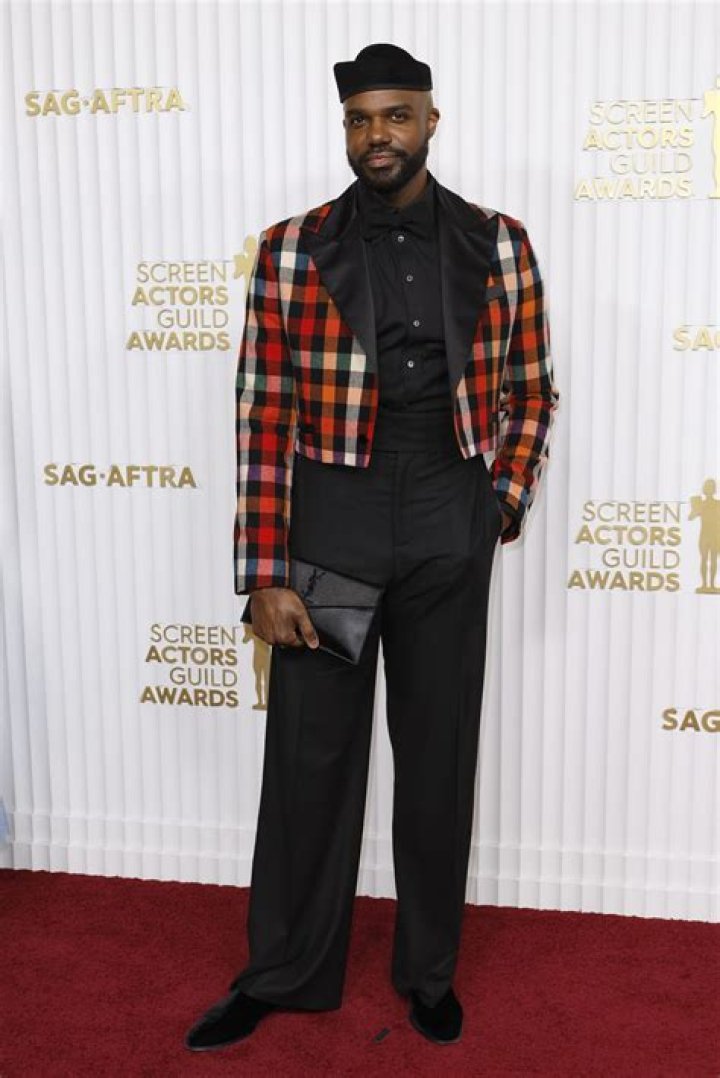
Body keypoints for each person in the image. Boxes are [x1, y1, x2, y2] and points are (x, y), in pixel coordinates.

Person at [185, 42, 559, 1052]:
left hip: (447, 510)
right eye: (359, 119)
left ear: (431, 120)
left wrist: (498, 505)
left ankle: (428, 974)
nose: (376, 136)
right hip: (334, 518)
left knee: (437, 756)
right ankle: (283, 971)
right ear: (345, 127)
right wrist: (265, 570)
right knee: (309, 759)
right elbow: (263, 414)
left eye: (395, 115)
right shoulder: (291, 249)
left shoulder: (499, 243)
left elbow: (531, 390)